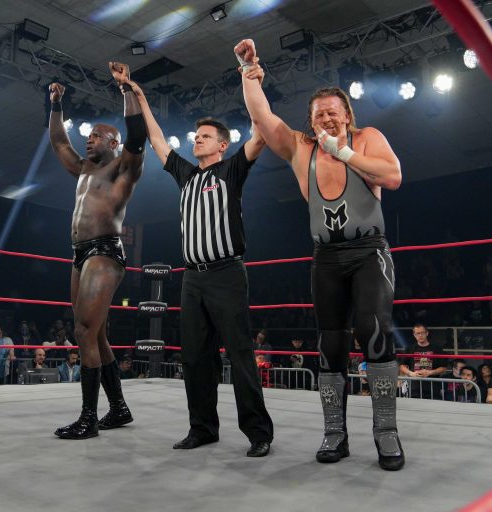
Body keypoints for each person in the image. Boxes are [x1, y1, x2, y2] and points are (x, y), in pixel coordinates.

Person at [236, 38, 404, 470]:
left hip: (368, 253)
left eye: (332, 112)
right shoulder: (301, 148)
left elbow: (393, 176)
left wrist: (344, 153)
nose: (326, 118)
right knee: (330, 344)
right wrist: (249, 72)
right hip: (326, 258)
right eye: (318, 114)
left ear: (346, 114)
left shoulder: (368, 138)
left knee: (375, 332)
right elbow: (262, 117)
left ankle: (386, 433)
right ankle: (334, 433)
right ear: (310, 122)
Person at [120, 65, 274, 458]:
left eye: (204, 136)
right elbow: (156, 138)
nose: (197, 140)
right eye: (196, 136)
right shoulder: (186, 176)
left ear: (222, 145)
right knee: (194, 357)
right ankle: (202, 428)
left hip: (227, 273)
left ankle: (258, 432)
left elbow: (262, 133)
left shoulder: (232, 169)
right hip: (192, 278)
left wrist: (254, 82)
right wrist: (138, 94)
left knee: (239, 354)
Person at [51, 61, 146, 440]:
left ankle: (88, 419)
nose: (88, 140)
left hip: (105, 252)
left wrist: (126, 90)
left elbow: (137, 134)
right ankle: (119, 408)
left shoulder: (125, 168)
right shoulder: (83, 169)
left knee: (84, 329)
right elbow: (60, 142)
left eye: (96, 136)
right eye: (88, 135)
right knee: (96, 334)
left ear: (113, 143)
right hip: (80, 252)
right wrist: (56, 105)